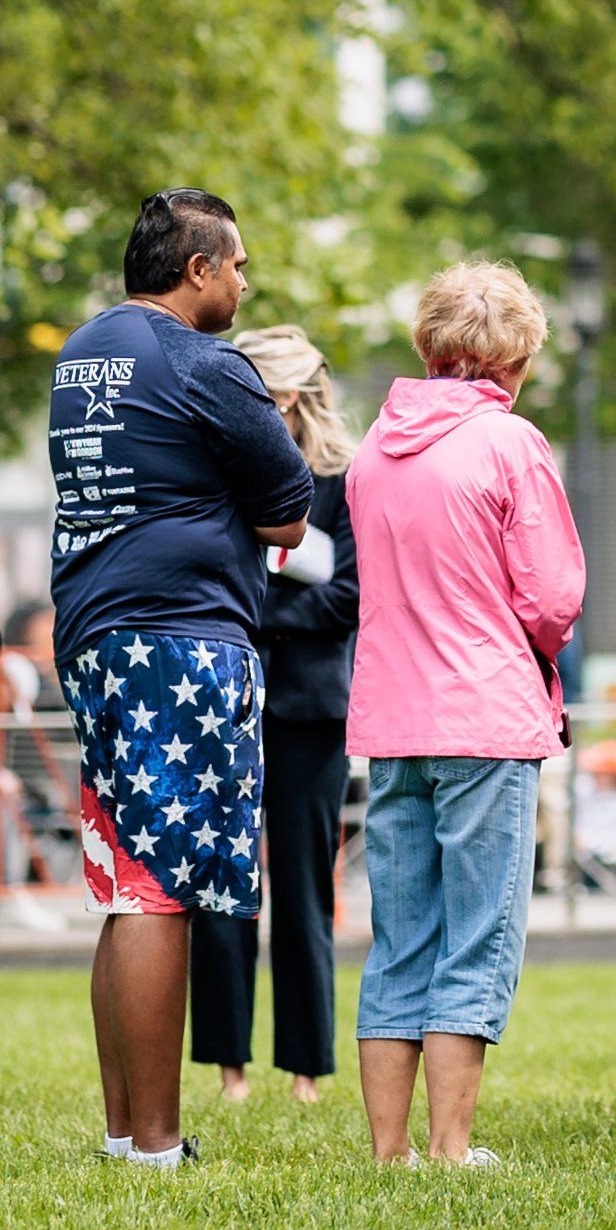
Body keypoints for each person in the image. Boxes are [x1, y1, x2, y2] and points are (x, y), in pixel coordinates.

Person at [42, 188, 314, 1169]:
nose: (243, 281)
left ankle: (123, 1132)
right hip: (182, 643)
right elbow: (288, 513)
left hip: (96, 632)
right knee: (161, 889)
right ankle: (158, 1143)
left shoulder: (83, 352)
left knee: (122, 880)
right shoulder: (207, 364)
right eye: (236, 265)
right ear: (198, 269)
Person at [345, 263, 586, 1173]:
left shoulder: (374, 448)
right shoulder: (508, 443)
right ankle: (450, 1148)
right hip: (483, 714)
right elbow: (553, 594)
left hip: (391, 713)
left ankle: (388, 1149)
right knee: (479, 933)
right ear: (511, 356)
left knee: (402, 933)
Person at [193, 326, 359, 1110]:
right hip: (226, 699)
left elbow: (352, 597)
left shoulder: (342, 480)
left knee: (301, 889)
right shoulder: (222, 471)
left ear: (285, 399)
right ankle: (227, 1066)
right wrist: (281, 603)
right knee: (226, 883)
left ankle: (306, 1067)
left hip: (312, 709)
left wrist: (264, 607)